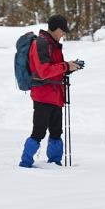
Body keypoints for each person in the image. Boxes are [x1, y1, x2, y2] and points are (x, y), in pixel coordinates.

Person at [18, 14, 83, 168]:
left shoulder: (52, 44)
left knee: (56, 132)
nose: (63, 34)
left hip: (55, 95)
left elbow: (54, 68)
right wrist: (66, 66)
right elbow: (43, 71)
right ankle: (25, 163)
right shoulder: (41, 44)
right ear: (56, 29)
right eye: (62, 30)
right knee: (38, 132)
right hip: (43, 96)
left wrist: (70, 67)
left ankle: (55, 163)